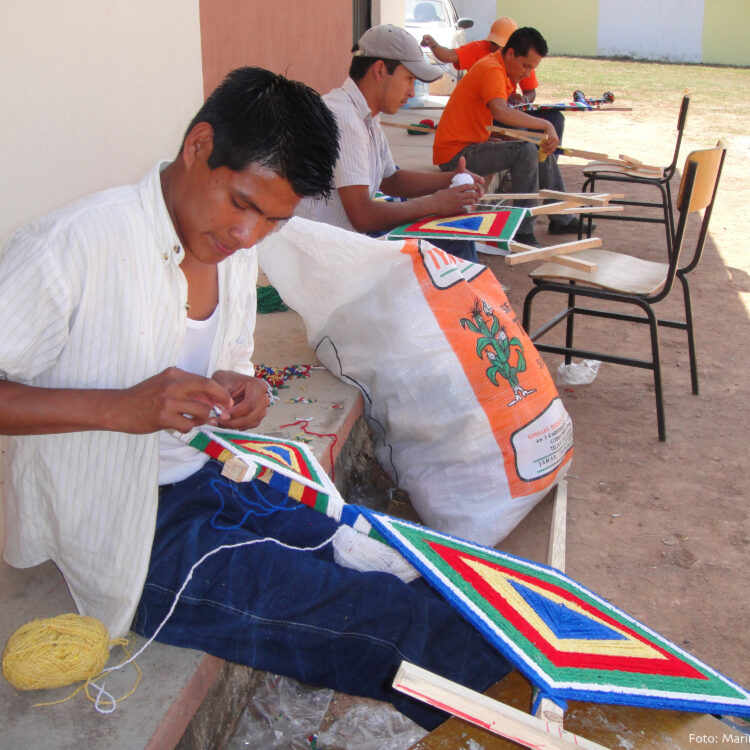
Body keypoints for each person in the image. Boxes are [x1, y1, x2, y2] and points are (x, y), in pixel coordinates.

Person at [0, 66, 511, 729]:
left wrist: (246, 392)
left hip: (216, 478)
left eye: (273, 221)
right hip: (130, 530)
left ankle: (543, 683)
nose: (248, 237)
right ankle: (542, 721)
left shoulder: (234, 249)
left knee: (400, 563)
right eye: (242, 204)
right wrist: (117, 409)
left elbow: (233, 363)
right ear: (198, 147)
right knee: (386, 626)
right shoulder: (73, 246)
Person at [296, 24, 484, 262]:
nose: (412, 92)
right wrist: (435, 203)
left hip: (345, 239)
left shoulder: (367, 115)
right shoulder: (344, 117)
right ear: (380, 70)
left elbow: (391, 180)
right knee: (449, 247)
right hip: (327, 253)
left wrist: (450, 180)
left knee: (453, 235)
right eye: (409, 79)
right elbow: (362, 216)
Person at [433, 27, 586, 245]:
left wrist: (538, 132)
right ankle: (523, 231)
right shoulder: (492, 68)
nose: (527, 73)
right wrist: (545, 124)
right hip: (455, 156)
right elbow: (500, 111)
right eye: (525, 66)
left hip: (469, 147)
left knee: (535, 145)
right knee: (525, 151)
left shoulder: (499, 68)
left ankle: (561, 216)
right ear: (511, 53)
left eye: (532, 68)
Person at [421, 16, 565, 141]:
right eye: (493, 44)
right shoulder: (491, 64)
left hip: (508, 110)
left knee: (555, 119)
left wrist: (524, 100)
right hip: (492, 114)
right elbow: (449, 55)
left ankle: (544, 161)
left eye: (500, 45)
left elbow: (530, 92)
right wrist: (434, 45)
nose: (496, 49)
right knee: (520, 133)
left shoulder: (522, 61)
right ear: (510, 52)